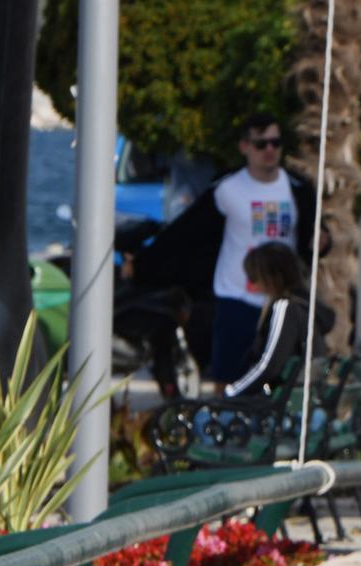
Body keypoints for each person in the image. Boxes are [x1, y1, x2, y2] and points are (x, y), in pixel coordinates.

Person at [133, 112, 324, 391]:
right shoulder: (228, 188)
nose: (270, 150)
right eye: (261, 144)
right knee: (228, 376)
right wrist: (141, 263)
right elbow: (184, 232)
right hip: (238, 296)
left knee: (282, 375)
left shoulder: (297, 188)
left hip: (282, 300)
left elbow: (316, 231)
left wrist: (323, 242)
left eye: (275, 143)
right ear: (244, 147)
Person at [224, 242, 332, 399]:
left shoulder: (286, 307)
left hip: (279, 405)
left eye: (254, 277)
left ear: (273, 277)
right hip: (297, 399)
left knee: (202, 417)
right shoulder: (305, 305)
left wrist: (230, 393)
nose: (251, 283)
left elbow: (269, 365)